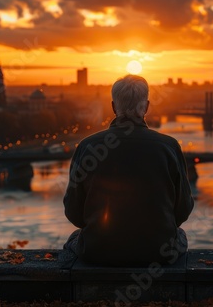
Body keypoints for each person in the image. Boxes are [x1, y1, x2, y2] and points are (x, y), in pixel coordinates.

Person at [63, 74, 194, 266]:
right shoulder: (169, 147)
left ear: (114, 107)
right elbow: (183, 210)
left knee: (75, 238)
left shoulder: (87, 147)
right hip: (159, 252)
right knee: (179, 235)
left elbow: (73, 212)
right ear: (146, 107)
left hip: (98, 251)